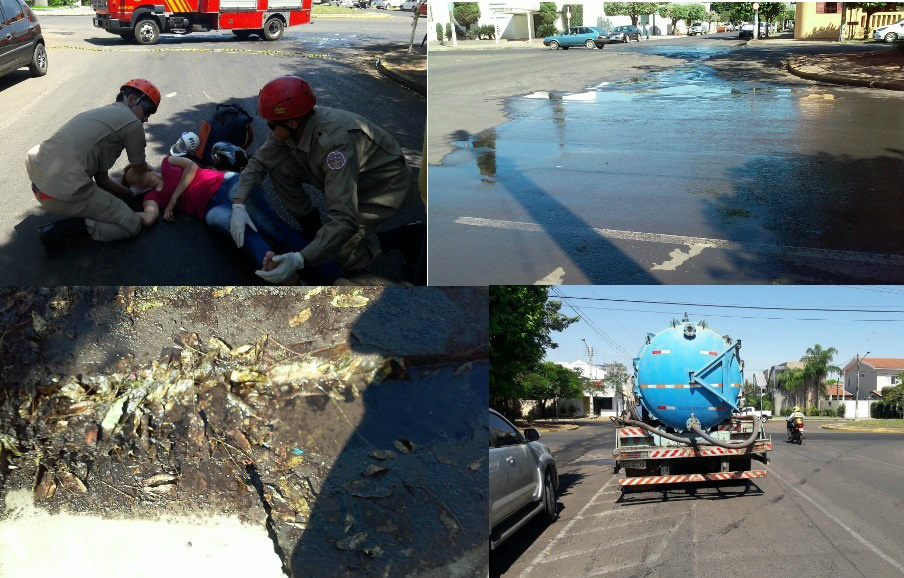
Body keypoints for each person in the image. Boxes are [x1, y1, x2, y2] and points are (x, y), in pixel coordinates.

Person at [228, 75, 425, 284]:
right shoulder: (297, 124)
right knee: (279, 165)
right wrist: (239, 205)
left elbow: (344, 217)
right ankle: (313, 232)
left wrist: (301, 259)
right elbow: (259, 162)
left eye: (271, 125)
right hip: (353, 176)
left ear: (293, 123)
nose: (270, 130)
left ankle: (409, 236)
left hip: (384, 186)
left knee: (339, 258)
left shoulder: (335, 147)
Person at [126, 145, 343, 284]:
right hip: (209, 209)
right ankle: (284, 275)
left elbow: (191, 167)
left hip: (227, 183)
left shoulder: (167, 163)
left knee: (272, 227)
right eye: (129, 182)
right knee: (244, 235)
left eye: (130, 172)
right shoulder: (152, 197)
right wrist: (114, 213)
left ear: (141, 167)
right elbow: (149, 217)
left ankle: (333, 275)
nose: (131, 179)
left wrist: (174, 199)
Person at [26, 79, 160, 257]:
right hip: (62, 193)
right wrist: (147, 169)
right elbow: (139, 168)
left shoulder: (102, 115)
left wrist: (131, 194)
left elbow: (102, 180)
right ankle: (61, 231)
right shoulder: (131, 123)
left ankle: (73, 214)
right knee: (132, 224)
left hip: (39, 185)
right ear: (132, 99)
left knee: (107, 205)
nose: (145, 118)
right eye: (147, 110)